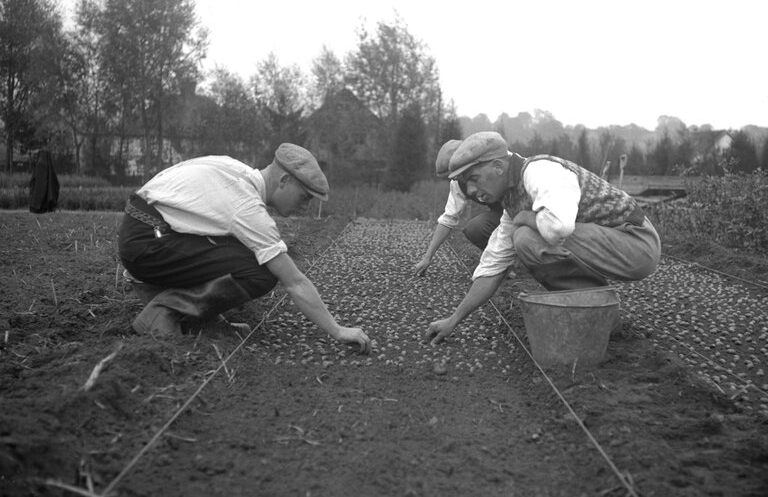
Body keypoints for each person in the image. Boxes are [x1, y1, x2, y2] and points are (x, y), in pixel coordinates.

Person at [118, 143, 371, 354]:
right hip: (149, 241)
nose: (305, 206)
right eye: (304, 197)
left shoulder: (234, 169)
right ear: (284, 180)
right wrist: (337, 330)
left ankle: (197, 316)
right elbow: (294, 281)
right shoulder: (246, 206)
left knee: (243, 253)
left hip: (147, 233)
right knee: (261, 272)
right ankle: (163, 314)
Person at [426, 131, 661, 345]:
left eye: (474, 179)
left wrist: (526, 218)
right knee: (522, 239)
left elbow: (558, 227)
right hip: (612, 244)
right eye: (466, 185)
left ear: (498, 166)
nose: (472, 192)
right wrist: (453, 319)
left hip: (637, 244)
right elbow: (492, 267)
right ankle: (599, 312)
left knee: (526, 238)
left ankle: (596, 308)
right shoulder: (512, 203)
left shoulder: (540, 171)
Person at [413, 139, 504, 276]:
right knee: (475, 229)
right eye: (451, 177)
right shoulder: (458, 184)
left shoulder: (493, 164)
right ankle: (505, 264)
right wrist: (427, 258)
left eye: (456, 174)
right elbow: (448, 219)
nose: (454, 179)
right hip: (502, 214)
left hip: (529, 211)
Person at [29, 149, 60, 214]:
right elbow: (55, 181)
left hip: (38, 189)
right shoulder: (48, 164)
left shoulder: (39, 163)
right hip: (44, 188)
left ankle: (38, 207)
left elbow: (33, 178)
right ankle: (46, 207)